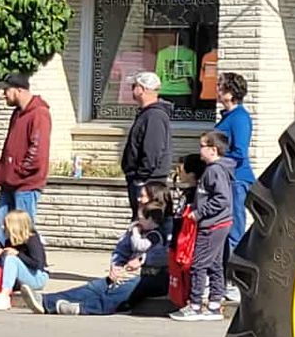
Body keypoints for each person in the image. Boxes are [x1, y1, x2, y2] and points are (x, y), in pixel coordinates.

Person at [46, 197, 167, 316]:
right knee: (97, 286)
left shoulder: (155, 234)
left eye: (143, 196)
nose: (139, 199)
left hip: (148, 275)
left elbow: (141, 247)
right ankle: (46, 301)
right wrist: (117, 265)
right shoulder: (143, 231)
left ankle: (83, 307)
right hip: (131, 271)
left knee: (119, 292)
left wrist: (136, 235)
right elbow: (122, 250)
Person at [172, 132, 234, 322]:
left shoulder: (214, 170)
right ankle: (214, 304)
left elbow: (222, 199)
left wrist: (198, 213)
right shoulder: (215, 169)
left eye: (202, 146)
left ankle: (196, 305)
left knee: (199, 264)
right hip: (219, 223)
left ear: (213, 149)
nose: (200, 149)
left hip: (213, 224)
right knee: (215, 264)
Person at [0, 73, 52, 241]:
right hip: (9, 182)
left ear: (19, 90)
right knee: (2, 224)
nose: (3, 94)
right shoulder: (18, 113)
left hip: (25, 183)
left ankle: (31, 262)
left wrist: (21, 170)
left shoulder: (39, 113)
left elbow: (37, 149)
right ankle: (3, 260)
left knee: (23, 229)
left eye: (6, 89)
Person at [120, 71, 174, 216]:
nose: (132, 90)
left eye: (134, 86)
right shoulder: (147, 114)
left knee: (146, 221)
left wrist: (141, 178)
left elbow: (153, 151)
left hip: (149, 182)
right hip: (143, 180)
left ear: (142, 89)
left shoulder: (154, 116)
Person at [214, 71, 254, 245]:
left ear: (230, 93)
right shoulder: (228, 117)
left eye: (220, 87)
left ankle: (231, 270)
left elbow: (240, 152)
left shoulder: (239, 118)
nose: (217, 90)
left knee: (234, 231)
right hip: (226, 178)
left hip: (236, 179)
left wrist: (215, 158)